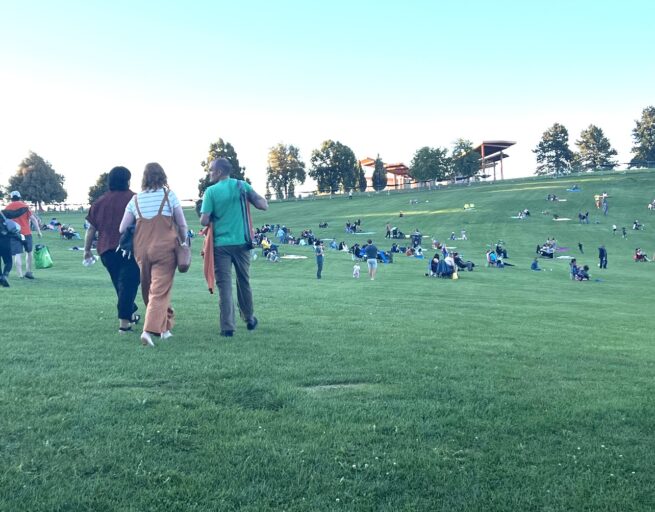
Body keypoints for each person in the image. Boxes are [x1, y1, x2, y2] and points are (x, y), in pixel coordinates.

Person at [119, 163, 188, 347]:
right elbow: (182, 224)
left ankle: (164, 329)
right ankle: (148, 331)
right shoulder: (169, 196)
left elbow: (122, 228)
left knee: (151, 289)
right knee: (159, 291)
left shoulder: (135, 200)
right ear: (162, 176)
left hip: (141, 251)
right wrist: (184, 242)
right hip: (165, 250)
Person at [200, 158, 268, 337]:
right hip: (242, 243)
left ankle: (227, 327)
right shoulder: (241, 186)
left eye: (211, 170)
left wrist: (212, 214)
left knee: (224, 286)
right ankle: (249, 318)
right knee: (243, 281)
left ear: (220, 172)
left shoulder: (211, 192)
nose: (209, 173)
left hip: (221, 245)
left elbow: (204, 220)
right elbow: (263, 205)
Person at [85, 166, 141, 334]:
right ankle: (124, 324)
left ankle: (130, 311)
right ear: (128, 180)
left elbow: (91, 229)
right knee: (128, 285)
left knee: (120, 284)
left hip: (106, 250)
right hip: (131, 249)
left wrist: (87, 250)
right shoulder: (135, 199)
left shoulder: (99, 202)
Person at [2, 191, 42, 279]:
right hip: (26, 233)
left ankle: (20, 275)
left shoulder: (7, 208)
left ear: (11, 198)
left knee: (17, 254)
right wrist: (39, 231)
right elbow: (33, 219)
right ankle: (28, 271)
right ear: (19, 197)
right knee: (29, 252)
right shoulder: (25, 207)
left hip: (14, 234)